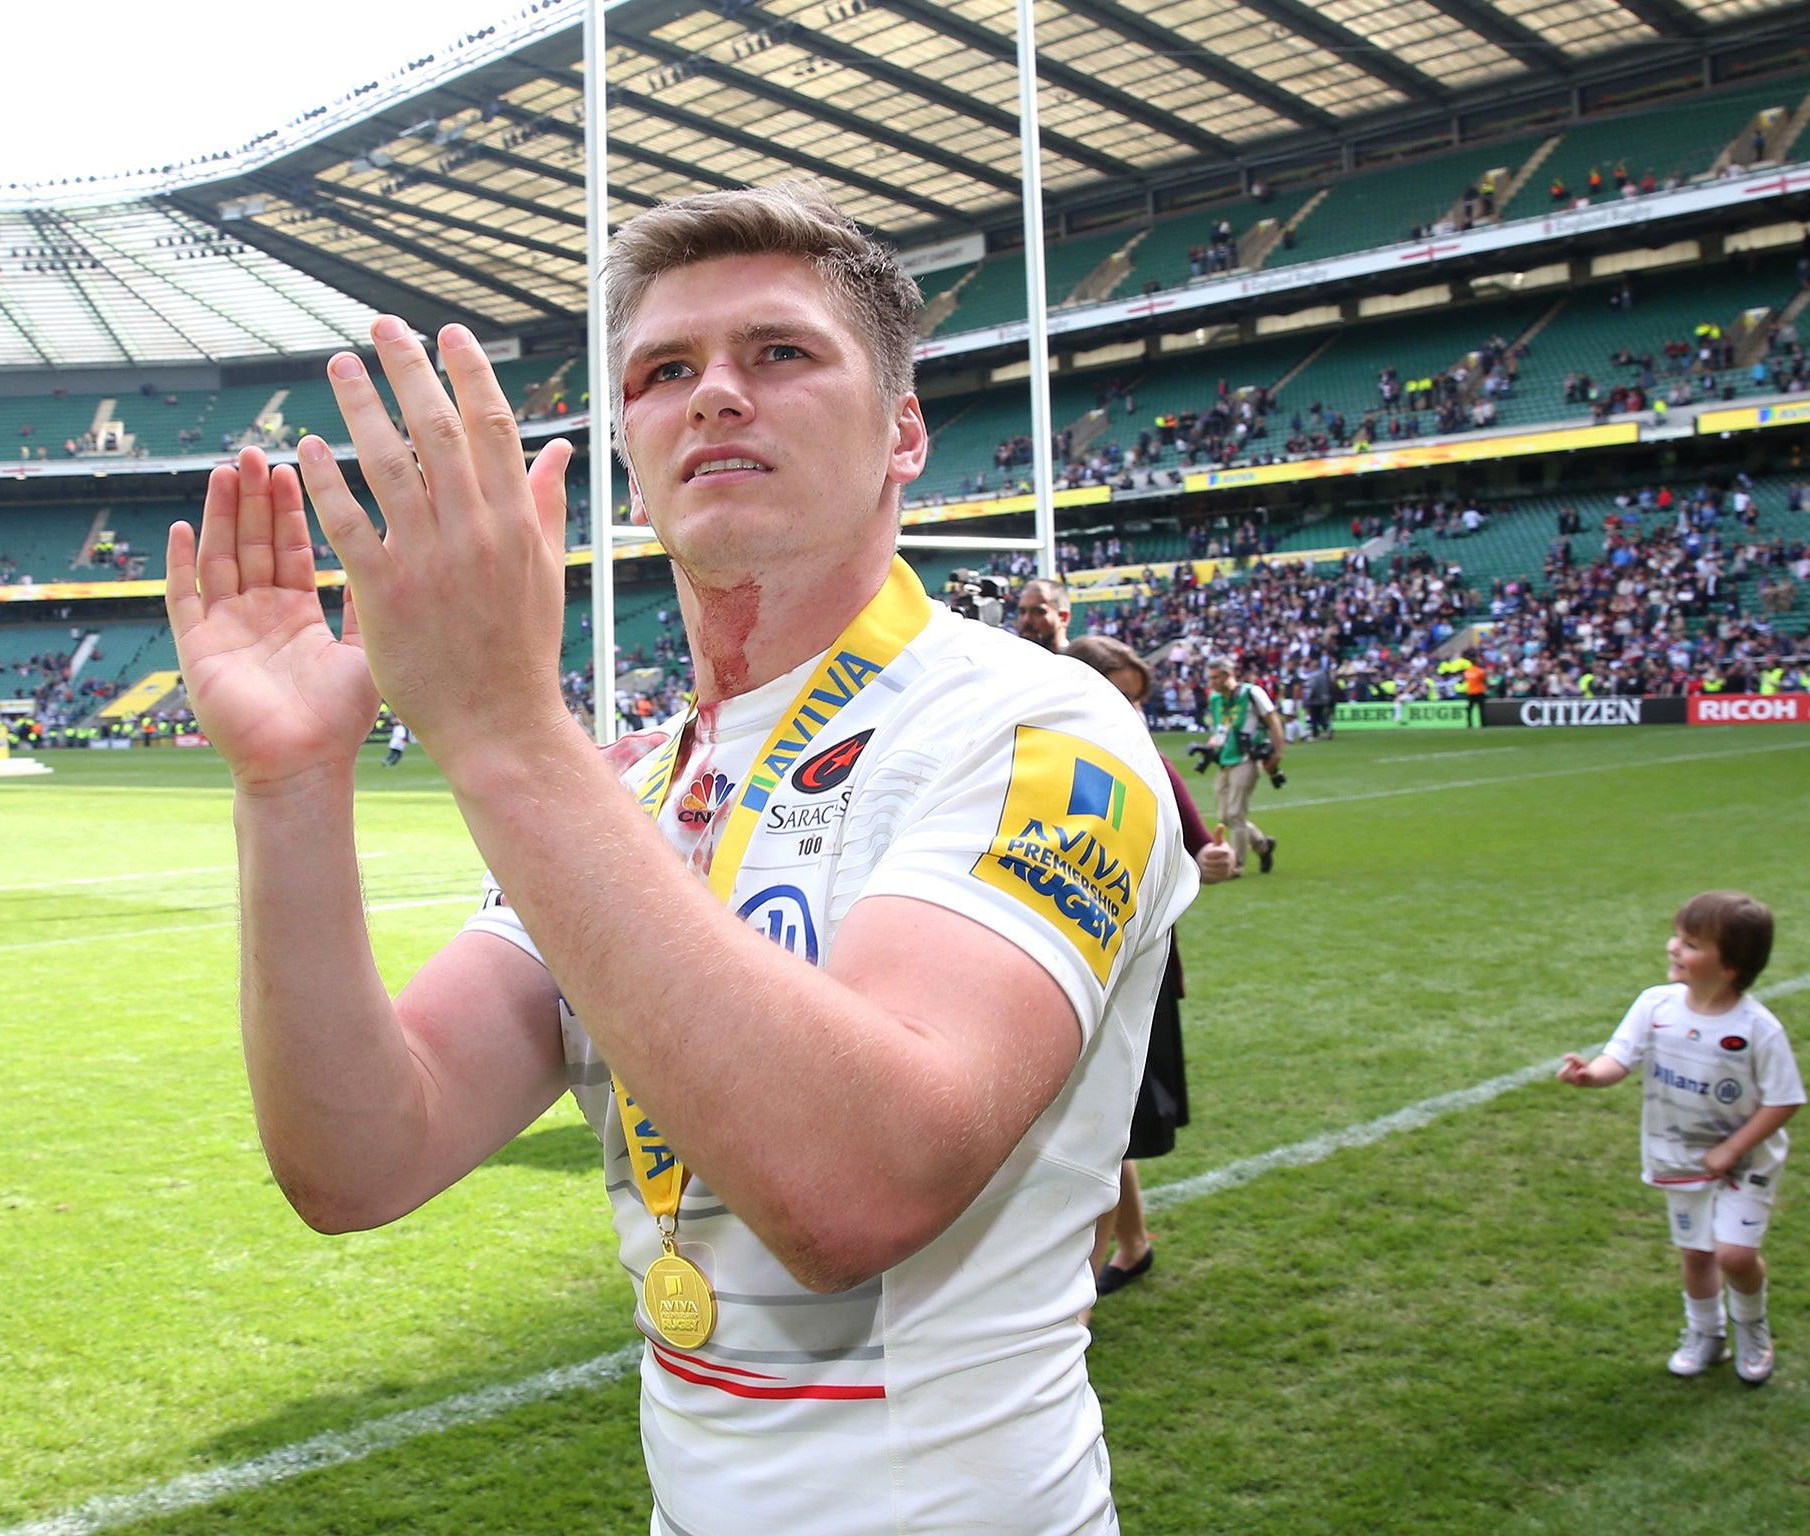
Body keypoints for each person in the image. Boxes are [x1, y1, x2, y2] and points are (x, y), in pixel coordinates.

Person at [164, 183, 1197, 1534]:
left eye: (780, 353)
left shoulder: (1037, 723)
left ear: (903, 436)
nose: (715, 394)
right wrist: (289, 784)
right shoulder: (633, 795)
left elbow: (858, 1189)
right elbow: (362, 1157)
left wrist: (504, 732)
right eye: (664, 373)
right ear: (630, 454)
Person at [1557, 893, 1802, 1384]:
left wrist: (1732, 1148)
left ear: (1730, 966)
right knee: (1697, 1253)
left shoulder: (1758, 1029)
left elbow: (1785, 1100)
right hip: (1679, 1154)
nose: (1673, 948)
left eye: (1690, 944)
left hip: (1744, 1162)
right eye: (1677, 937)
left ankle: (1752, 1326)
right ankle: (1705, 1335)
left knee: (1734, 1254)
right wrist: (1592, 1075)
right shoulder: (1656, 1004)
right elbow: (1620, 1057)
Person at [1063, 635, 1232, 1309]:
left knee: (1098, 1134)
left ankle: (1076, 1304)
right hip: (1061, 974)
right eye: (1118, 694)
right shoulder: (1028, 755)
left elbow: (1205, 851)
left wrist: (1215, 862)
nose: (1130, 709)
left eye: (1137, 697)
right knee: (1097, 1127)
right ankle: (1133, 1246)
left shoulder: (1150, 764)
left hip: (1130, 980)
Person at [1202, 656, 1282, 875]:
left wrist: (1277, 753)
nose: (1212, 682)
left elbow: (1273, 721)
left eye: (1216, 677)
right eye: (1210, 678)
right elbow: (1221, 728)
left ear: (1229, 675)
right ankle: (1263, 845)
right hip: (1225, 758)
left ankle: (1236, 864)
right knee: (1225, 815)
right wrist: (1211, 744)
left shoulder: (1252, 693)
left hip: (1247, 758)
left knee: (1236, 814)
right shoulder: (1216, 699)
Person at [1015, 576, 1071, 651]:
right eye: (1022, 612)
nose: (1026, 620)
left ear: (1063, 617)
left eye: (1037, 612)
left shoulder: (1079, 661)